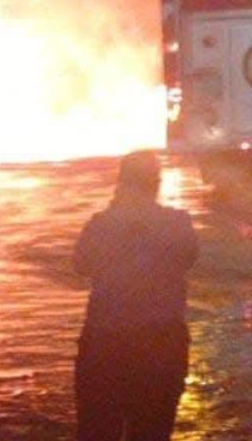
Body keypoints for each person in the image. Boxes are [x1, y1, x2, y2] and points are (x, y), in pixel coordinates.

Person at [74, 151, 198, 440]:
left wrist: (115, 209)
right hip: (162, 339)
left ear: (121, 182)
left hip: (106, 341)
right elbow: (188, 258)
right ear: (156, 183)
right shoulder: (177, 223)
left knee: (98, 428)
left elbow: (81, 265)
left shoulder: (101, 223)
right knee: (153, 430)